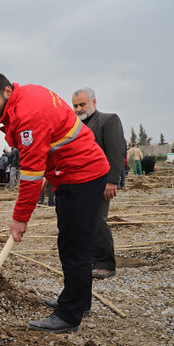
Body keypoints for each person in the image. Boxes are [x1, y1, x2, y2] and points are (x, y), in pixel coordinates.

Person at [0, 72, 109, 334]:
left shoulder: (28, 115)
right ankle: (79, 300)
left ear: (8, 91)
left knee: (74, 247)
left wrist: (20, 218)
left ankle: (69, 315)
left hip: (81, 176)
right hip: (72, 173)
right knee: (72, 242)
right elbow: (50, 144)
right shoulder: (28, 94)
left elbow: (31, 174)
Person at [72, 87, 126, 279]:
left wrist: (112, 181)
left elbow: (116, 151)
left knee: (96, 221)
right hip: (80, 183)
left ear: (93, 103)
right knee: (84, 223)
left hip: (101, 182)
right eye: (75, 105)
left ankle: (106, 263)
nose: (78, 109)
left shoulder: (108, 120)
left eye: (82, 104)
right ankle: (92, 260)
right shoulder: (75, 127)